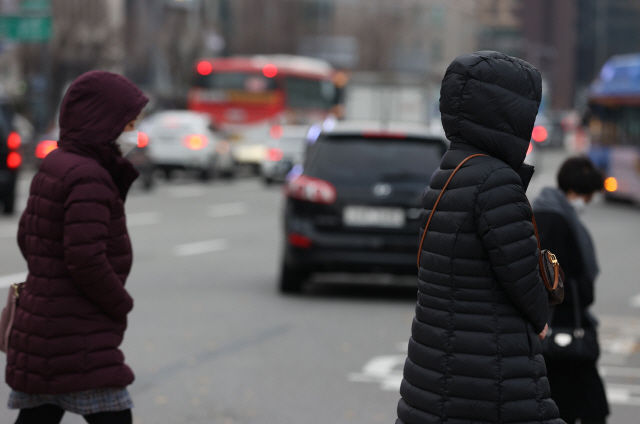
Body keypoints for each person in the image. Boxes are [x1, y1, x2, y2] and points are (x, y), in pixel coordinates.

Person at [396, 51, 564, 424]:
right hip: (490, 367)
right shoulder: (496, 180)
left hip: (437, 365)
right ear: (509, 114)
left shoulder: (451, 170)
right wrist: (541, 319)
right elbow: (521, 271)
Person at [7, 71, 148, 424]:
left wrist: (49, 275)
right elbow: (86, 258)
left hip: (43, 328)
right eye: (128, 124)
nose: (134, 134)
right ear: (104, 123)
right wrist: (120, 303)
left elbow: (27, 235)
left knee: (39, 412)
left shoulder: (56, 163)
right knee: (114, 414)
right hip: (77, 336)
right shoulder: (89, 177)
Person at [533, 157, 609, 424]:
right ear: (578, 192)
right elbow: (552, 277)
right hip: (563, 330)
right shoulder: (557, 219)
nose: (587, 203)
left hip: (553, 329)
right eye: (588, 196)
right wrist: (584, 289)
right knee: (587, 406)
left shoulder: (545, 211)